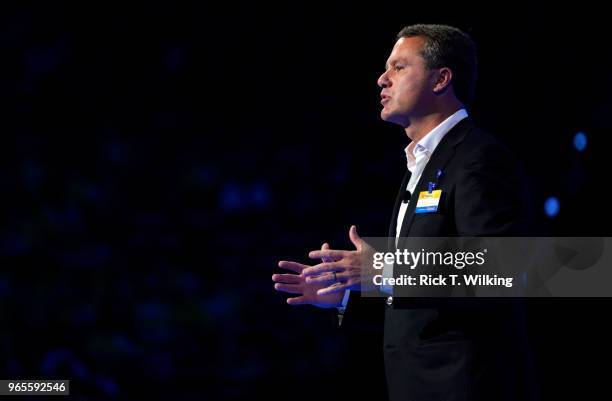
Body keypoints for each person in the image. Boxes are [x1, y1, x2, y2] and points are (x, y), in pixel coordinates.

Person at [273, 24, 536, 401]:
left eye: (398, 67)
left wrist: (381, 270)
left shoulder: (479, 158)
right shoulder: (422, 166)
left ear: (441, 78)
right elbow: (418, 300)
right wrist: (350, 292)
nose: (382, 79)